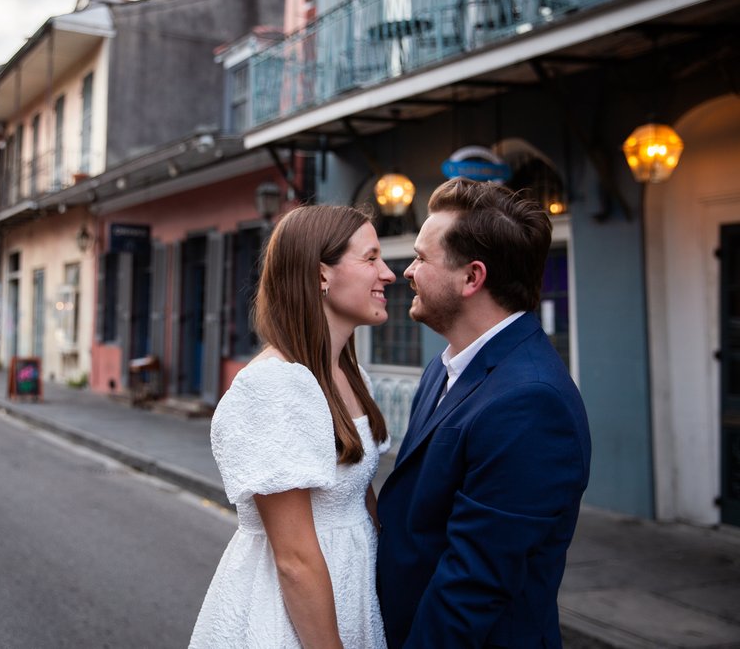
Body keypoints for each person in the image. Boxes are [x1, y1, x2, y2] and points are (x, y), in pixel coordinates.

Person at [376, 178, 591, 647]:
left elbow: (473, 585)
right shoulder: (444, 366)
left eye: (421, 258)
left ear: (472, 278)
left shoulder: (531, 401)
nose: (406, 271)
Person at [190, 205, 396, 648]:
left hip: (351, 592)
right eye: (371, 258)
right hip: (290, 616)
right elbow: (295, 560)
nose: (388, 273)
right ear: (322, 274)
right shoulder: (274, 385)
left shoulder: (352, 376)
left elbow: (360, 498)